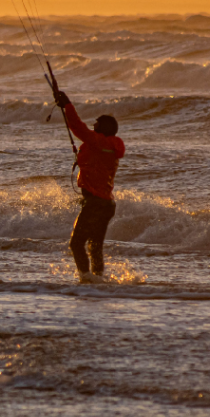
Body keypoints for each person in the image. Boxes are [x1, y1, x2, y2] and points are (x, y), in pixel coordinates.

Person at [53, 89, 125, 282]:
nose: (93, 126)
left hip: (95, 203)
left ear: (103, 128)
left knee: (76, 244)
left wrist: (67, 105)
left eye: (97, 124)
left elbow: (78, 127)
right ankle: (97, 280)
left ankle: (86, 278)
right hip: (106, 205)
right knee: (94, 246)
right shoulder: (109, 146)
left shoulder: (99, 142)